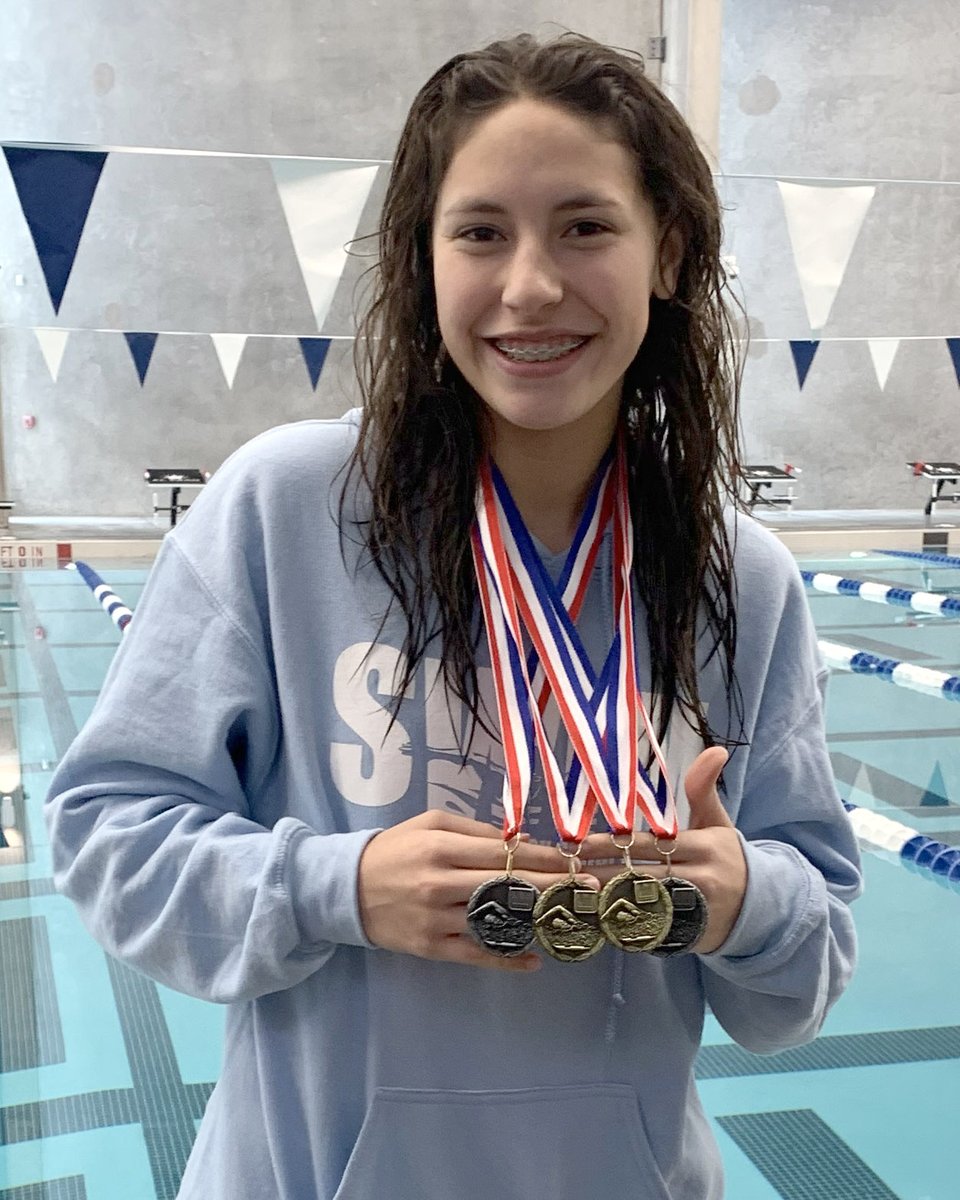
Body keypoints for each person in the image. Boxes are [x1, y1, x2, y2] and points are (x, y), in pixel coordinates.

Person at [46, 31, 862, 1200]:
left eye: (586, 226)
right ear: (424, 260)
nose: (530, 284)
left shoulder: (743, 578)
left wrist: (740, 899)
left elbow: (799, 977)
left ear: (668, 253)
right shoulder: (284, 510)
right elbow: (105, 829)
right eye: (480, 232)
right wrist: (340, 884)